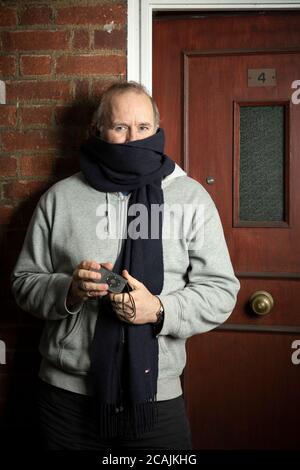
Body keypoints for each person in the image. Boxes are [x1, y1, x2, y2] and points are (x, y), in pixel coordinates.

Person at [11, 81, 240, 450]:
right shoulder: (60, 198)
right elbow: (24, 282)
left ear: (157, 129)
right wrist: (68, 290)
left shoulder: (190, 197)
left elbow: (221, 290)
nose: (133, 139)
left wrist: (160, 310)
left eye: (143, 128)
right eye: (120, 128)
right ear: (97, 130)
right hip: (67, 397)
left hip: (154, 397)